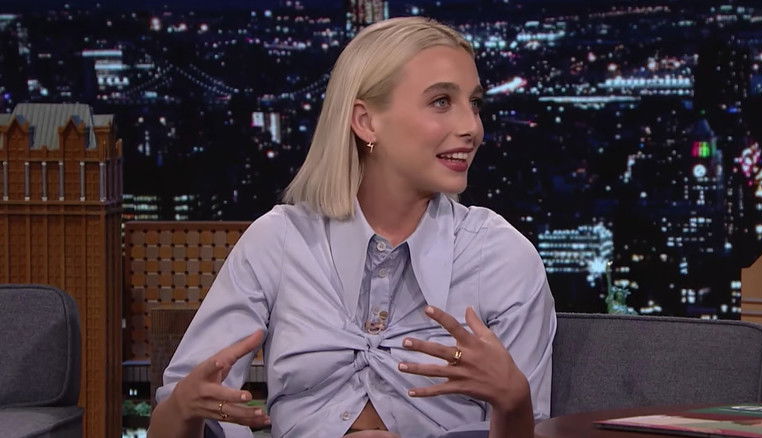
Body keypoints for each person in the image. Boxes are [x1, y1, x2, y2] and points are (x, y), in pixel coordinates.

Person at [148, 16, 556, 438]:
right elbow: (173, 420)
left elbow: (534, 429)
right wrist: (183, 408)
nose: (471, 127)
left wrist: (514, 401)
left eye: (475, 104)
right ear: (365, 121)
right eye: (441, 102)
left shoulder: (502, 258)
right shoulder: (280, 241)